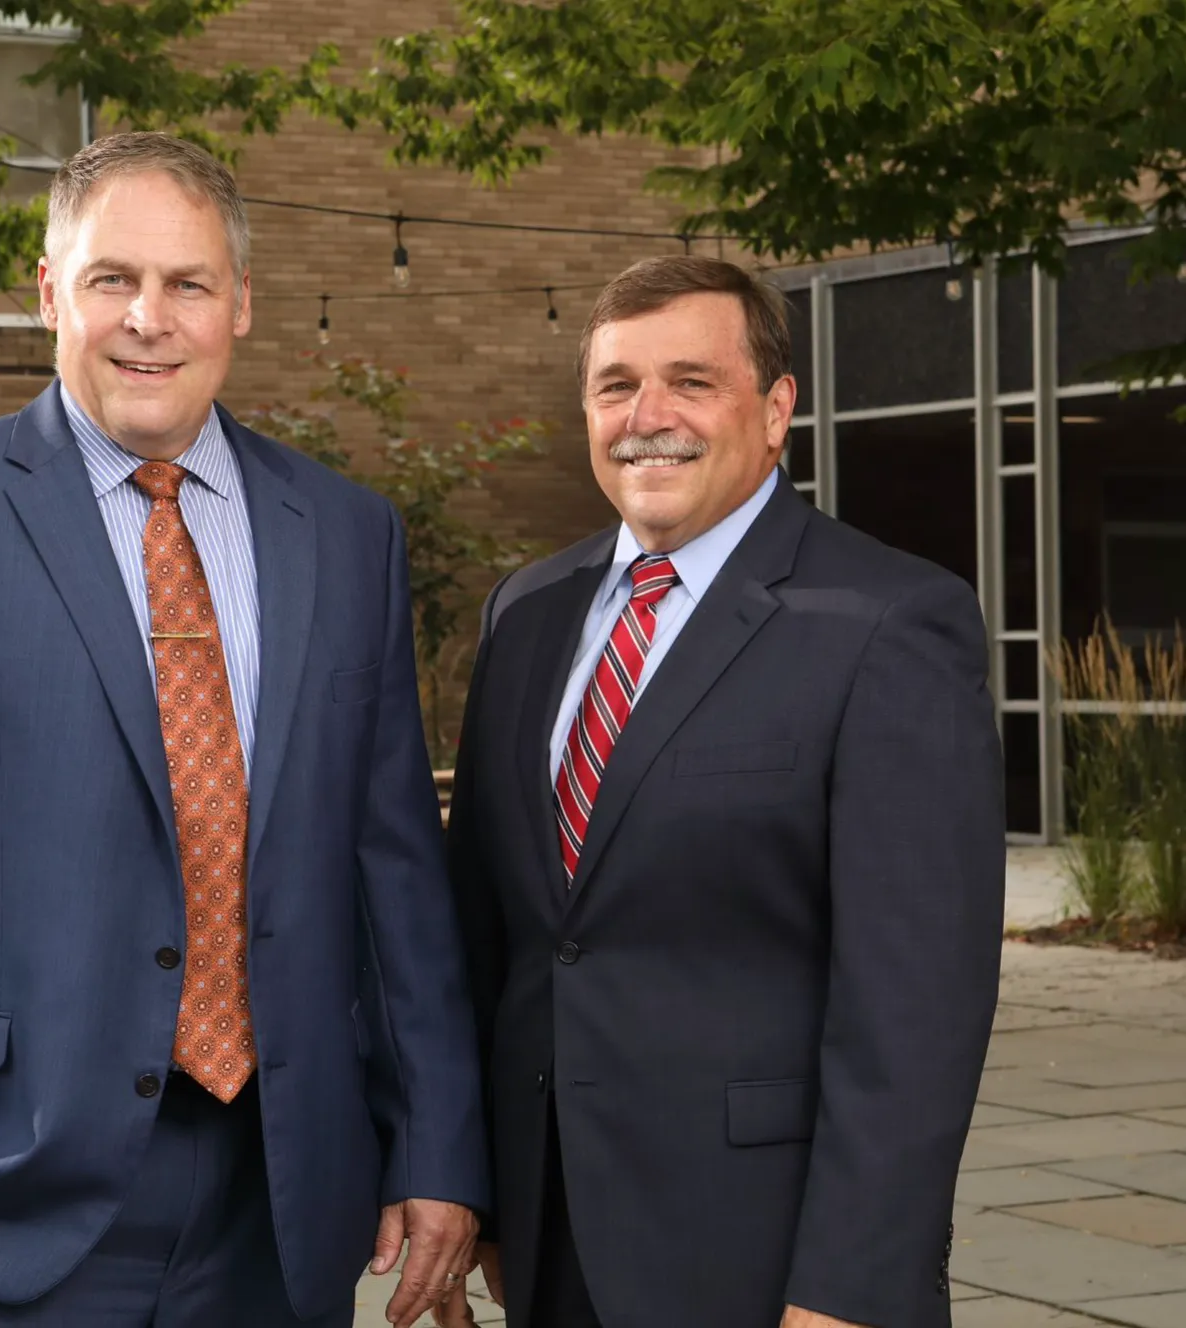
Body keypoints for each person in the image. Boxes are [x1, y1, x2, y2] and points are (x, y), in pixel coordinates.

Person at [0, 131, 487, 1328]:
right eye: (114, 279)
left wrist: (437, 1145)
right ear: (51, 293)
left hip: (280, 1200)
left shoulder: (349, 536)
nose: (150, 317)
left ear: (240, 303)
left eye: (188, 283)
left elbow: (396, 877)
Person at [438, 256, 1005, 1328]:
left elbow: (916, 1011)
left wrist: (851, 1288)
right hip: (551, 1245)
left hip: (763, 1257)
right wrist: (484, 1200)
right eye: (616, 385)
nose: (647, 416)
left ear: (777, 406)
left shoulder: (888, 622)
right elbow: (490, 940)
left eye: (691, 381)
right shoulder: (526, 613)